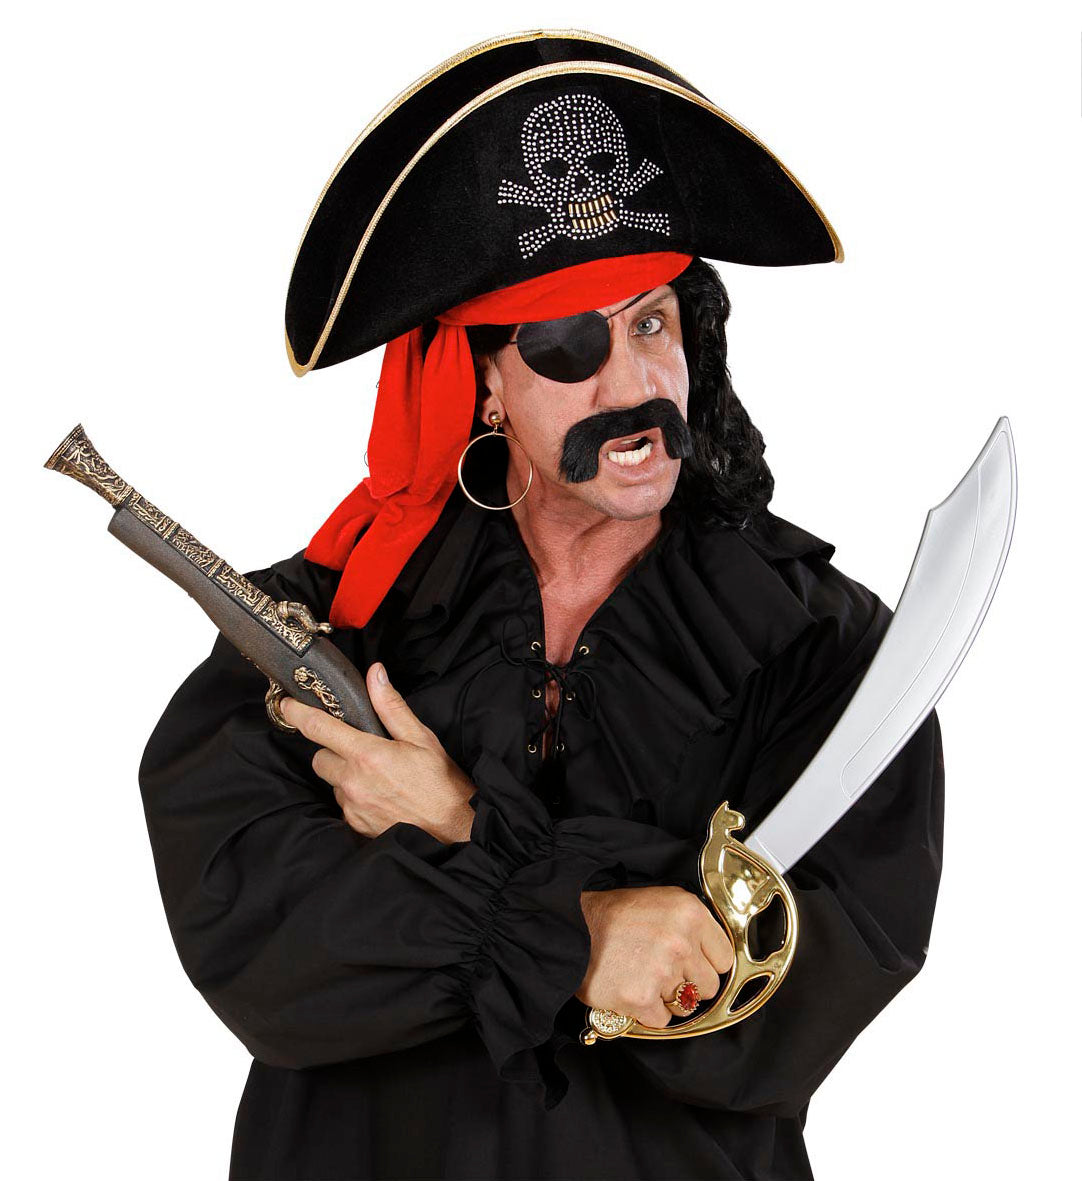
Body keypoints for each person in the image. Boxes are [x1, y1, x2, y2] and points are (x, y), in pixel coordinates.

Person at [137, 32, 944, 1180]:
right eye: (568, 344)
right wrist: (589, 926)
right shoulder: (321, 632)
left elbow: (774, 1017)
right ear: (479, 381)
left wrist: (461, 827)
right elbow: (267, 954)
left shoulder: (820, 648)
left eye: (651, 323)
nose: (634, 388)